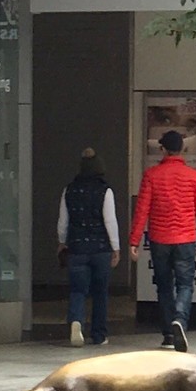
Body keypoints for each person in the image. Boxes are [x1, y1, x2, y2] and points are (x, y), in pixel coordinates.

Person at [129, 129, 196, 353]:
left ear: (163, 149)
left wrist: (134, 241)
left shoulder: (151, 175)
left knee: (164, 286)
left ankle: (167, 334)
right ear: (182, 149)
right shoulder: (194, 177)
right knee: (185, 284)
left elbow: (141, 211)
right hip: (185, 238)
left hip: (159, 239)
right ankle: (180, 322)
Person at [57, 147, 120, 347]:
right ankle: (99, 334)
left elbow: (63, 221)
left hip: (76, 248)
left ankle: (76, 321)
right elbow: (110, 221)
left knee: (77, 290)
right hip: (101, 249)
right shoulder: (105, 191)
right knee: (100, 292)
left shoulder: (69, 190)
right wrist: (116, 247)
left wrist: (61, 242)